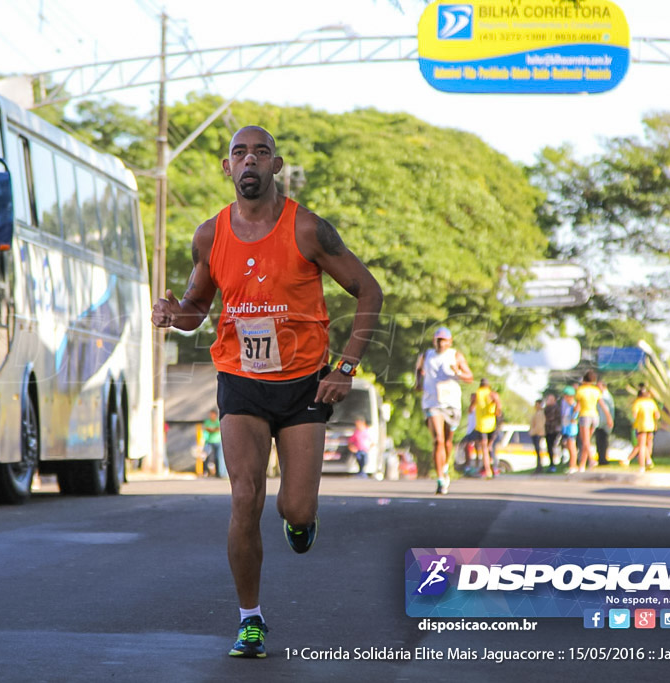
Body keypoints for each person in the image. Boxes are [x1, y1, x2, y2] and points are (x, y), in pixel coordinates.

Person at [150, 126, 383, 659]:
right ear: (227, 169)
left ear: (276, 167)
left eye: (260, 153)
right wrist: (171, 314)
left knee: (294, 509)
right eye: (239, 153)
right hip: (240, 382)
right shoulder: (210, 236)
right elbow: (195, 309)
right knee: (243, 497)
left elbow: (369, 291)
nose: (249, 160)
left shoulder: (307, 229)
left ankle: (302, 521)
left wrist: (344, 367)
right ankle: (250, 619)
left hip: (303, 384)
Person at [415, 327, 474, 494]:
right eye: (438, 340)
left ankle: (445, 465)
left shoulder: (455, 356)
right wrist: (418, 382)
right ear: (434, 340)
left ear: (450, 341)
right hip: (432, 403)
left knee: (448, 442)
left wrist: (459, 373)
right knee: (438, 440)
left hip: (451, 403)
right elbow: (418, 371)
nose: (441, 343)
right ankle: (440, 478)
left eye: (444, 340)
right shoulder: (426, 355)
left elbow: (469, 377)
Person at [575, 371, 614, 471]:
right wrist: (609, 417)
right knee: (586, 441)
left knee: (585, 441)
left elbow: (578, 406)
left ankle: (591, 459)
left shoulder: (581, 390)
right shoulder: (596, 390)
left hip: (585, 416)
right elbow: (603, 405)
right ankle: (582, 465)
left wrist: (573, 416)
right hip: (595, 416)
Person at [626, 386, 661, 472]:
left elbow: (634, 415)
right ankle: (648, 461)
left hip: (641, 426)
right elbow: (657, 415)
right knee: (648, 444)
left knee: (641, 446)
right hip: (651, 426)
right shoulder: (651, 402)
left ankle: (642, 465)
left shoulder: (638, 403)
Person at [473, 378, 501, 478]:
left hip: (481, 426)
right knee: (490, 447)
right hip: (492, 425)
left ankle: (488, 470)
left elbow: (471, 408)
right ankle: (493, 468)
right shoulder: (492, 394)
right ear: (488, 385)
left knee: (485, 448)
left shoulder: (477, 394)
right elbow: (499, 410)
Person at [594, 380, 615, 466]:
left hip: (603, 423)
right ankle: (601, 459)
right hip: (601, 422)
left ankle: (603, 459)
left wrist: (608, 420)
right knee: (600, 442)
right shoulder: (603, 396)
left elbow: (607, 410)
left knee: (603, 442)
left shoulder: (605, 397)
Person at [202, 409, 226, 478]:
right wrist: (213, 429)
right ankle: (206, 472)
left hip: (218, 441)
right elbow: (206, 428)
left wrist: (212, 429)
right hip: (209, 441)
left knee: (219, 457)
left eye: (212, 414)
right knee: (207, 457)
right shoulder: (207, 421)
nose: (211, 416)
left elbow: (218, 428)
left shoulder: (218, 421)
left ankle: (220, 473)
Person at [560, 386, 579, 472]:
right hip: (566, 428)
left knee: (572, 447)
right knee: (568, 447)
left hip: (571, 429)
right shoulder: (565, 404)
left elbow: (575, 414)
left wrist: (574, 417)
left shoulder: (573, 404)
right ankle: (571, 465)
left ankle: (573, 466)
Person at [542, 392, 561, 472]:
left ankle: (555, 464)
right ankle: (551, 464)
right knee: (549, 447)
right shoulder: (546, 409)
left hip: (554, 430)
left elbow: (554, 418)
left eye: (550, 399)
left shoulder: (556, 408)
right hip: (548, 430)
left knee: (553, 446)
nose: (548, 401)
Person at [529, 399, 547, 473]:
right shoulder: (537, 413)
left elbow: (539, 426)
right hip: (536, 433)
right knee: (537, 451)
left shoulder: (540, 413)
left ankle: (539, 467)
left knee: (538, 450)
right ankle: (538, 466)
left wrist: (533, 432)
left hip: (538, 434)